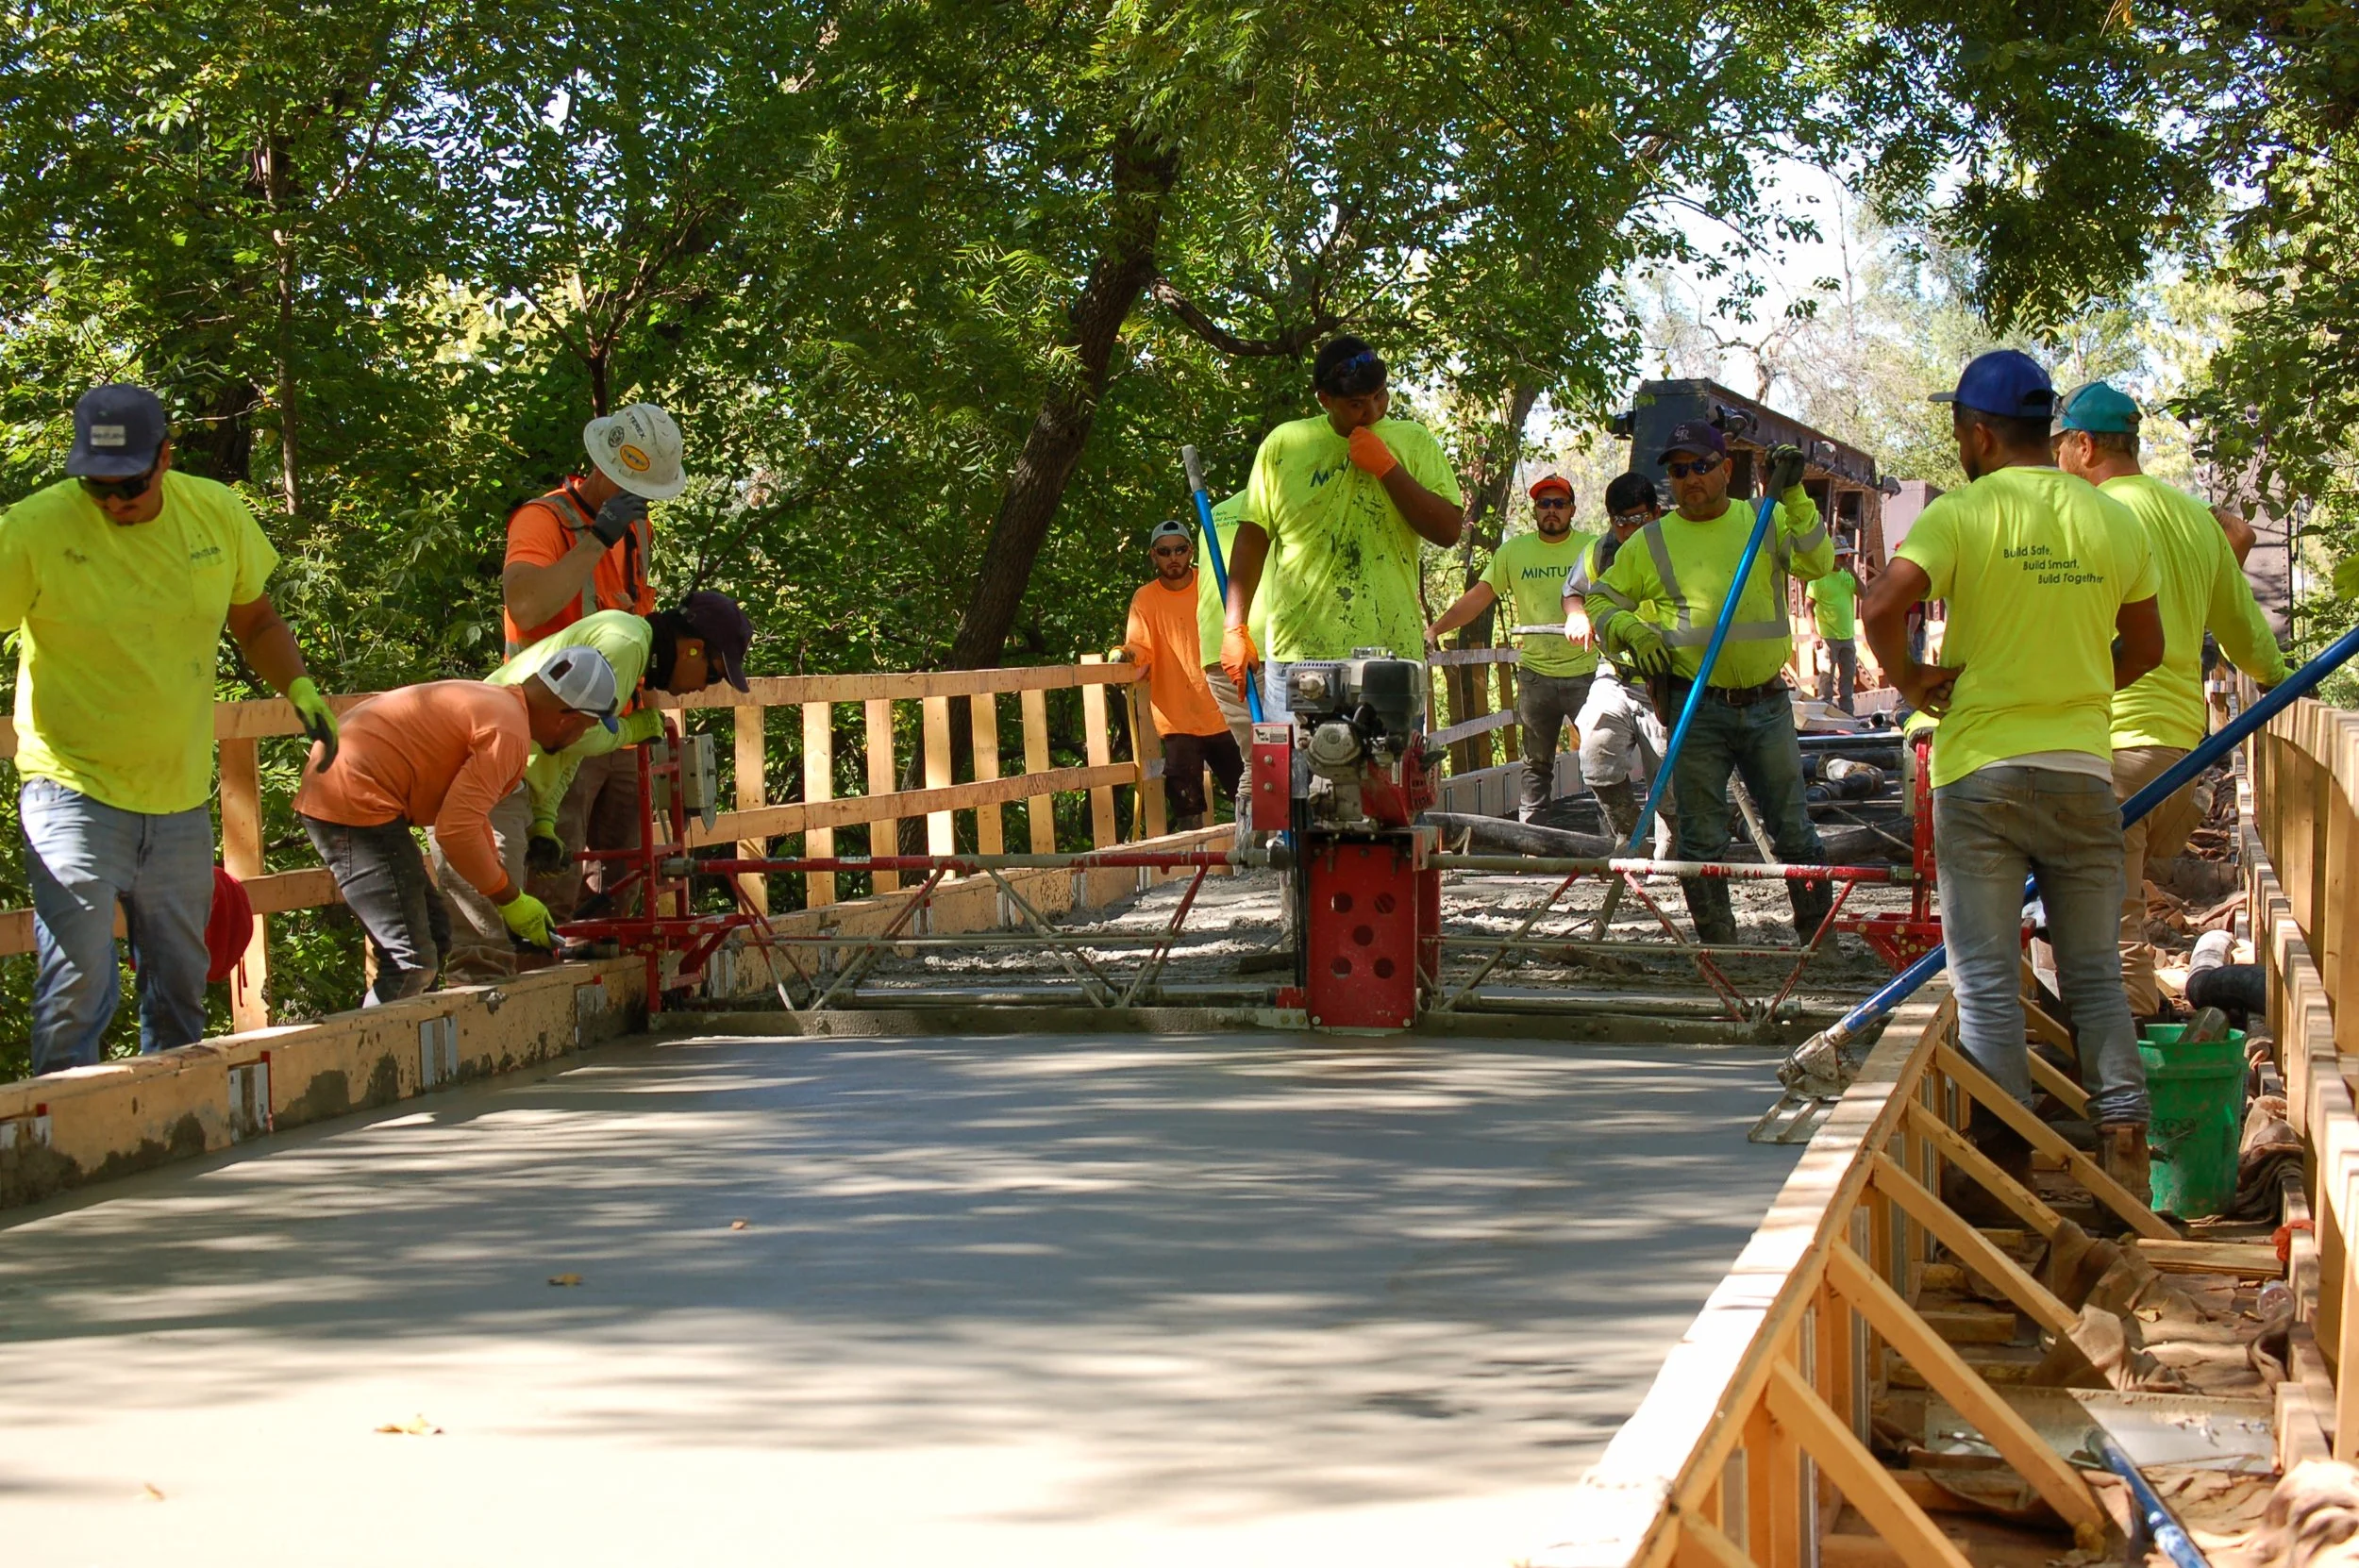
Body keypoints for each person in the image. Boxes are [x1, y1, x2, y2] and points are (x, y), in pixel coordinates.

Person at [1860, 350, 2166, 1205]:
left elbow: (1883, 607)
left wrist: (1915, 680)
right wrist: (2069, 686)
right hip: (2079, 774)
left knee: (1987, 978)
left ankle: (2002, 1172)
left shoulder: (1963, 513)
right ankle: (2126, 1150)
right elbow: (2146, 650)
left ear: (1980, 433)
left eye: (1959, 428)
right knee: (2096, 973)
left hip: (1982, 777)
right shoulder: (2114, 521)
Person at [1, 385, 339, 1075]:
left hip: (178, 794)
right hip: (69, 787)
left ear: (166, 458)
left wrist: (297, 685)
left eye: (128, 485)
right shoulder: (35, 529)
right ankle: (63, 1150)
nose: (115, 502)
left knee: (182, 982)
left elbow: (258, 622)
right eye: (98, 488)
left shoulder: (213, 513)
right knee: (78, 981)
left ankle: (175, 1140)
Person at [2050, 380, 2289, 1021]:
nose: (2055, 463)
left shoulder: (2087, 517)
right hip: (2179, 758)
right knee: (2098, 905)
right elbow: (2248, 639)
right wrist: (2290, 686)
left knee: (2111, 928)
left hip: (2112, 750)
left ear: (2083, 444)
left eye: (2059, 449)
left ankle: (2124, 1091)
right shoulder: (2193, 520)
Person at [1582, 422, 1832, 944]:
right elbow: (1600, 599)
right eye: (1678, 471)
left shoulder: (1761, 520)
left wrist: (1794, 493)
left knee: (1793, 830)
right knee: (1700, 835)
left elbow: (1818, 561)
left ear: (1725, 469)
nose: (1690, 478)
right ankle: (1718, 943)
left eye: (1700, 467)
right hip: (1695, 706)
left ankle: (1818, 938)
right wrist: (1629, 629)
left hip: (1766, 704)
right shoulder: (1651, 541)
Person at [439, 592, 755, 979]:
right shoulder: (625, 644)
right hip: (486, 755)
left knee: (512, 922)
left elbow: (568, 748)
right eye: (713, 674)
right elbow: (580, 739)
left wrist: (544, 819)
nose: (705, 689)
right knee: (483, 929)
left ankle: (504, 1013)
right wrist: (633, 728)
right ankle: (476, 1021)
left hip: (510, 768)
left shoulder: (628, 645)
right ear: (693, 649)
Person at [294, 651, 621, 1007]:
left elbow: (470, 816)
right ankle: (373, 1056)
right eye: (586, 729)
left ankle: (406, 1044)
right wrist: (509, 899)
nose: (578, 739)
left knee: (434, 937)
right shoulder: (507, 732)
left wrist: (509, 895)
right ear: (567, 719)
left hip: (357, 792)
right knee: (411, 962)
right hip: (353, 800)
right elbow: (455, 830)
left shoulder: (498, 705)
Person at [502, 403, 688, 909]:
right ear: (606, 466)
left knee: (626, 881)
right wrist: (596, 539)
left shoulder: (636, 530)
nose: (644, 502)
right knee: (554, 876)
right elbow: (525, 603)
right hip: (555, 732)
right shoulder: (544, 521)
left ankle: (614, 979)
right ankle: (546, 978)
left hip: (621, 730)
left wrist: (648, 711)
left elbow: (635, 616)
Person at [1218, 336, 1464, 713]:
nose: (1374, 412)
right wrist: (1235, 629)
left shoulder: (1413, 441)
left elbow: (1448, 531)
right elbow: (1252, 537)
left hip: (1391, 653)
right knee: (1299, 773)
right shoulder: (1284, 444)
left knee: (1390, 772)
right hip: (1299, 655)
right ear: (1324, 400)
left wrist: (1387, 468)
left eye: (1380, 396)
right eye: (1357, 405)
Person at [1427, 475, 1599, 821]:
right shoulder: (1514, 552)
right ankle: (1532, 843)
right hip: (1536, 676)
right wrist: (1435, 629)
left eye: (1559, 504)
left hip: (1588, 674)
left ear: (1572, 510)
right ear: (1535, 511)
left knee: (1601, 760)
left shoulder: (1593, 547)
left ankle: (1615, 845)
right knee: (1535, 764)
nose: (1552, 511)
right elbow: (1479, 597)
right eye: (1544, 504)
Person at [1564, 474, 1675, 854]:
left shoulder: (1678, 544)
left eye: (1638, 519)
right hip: (1615, 674)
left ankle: (1672, 849)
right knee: (1595, 752)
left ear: (1656, 512)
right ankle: (1629, 838)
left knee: (1670, 782)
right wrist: (1576, 615)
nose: (1629, 529)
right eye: (1620, 521)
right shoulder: (1598, 553)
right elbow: (1574, 593)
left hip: (1669, 680)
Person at [1115, 522, 1243, 830]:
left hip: (1224, 710)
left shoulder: (1212, 586)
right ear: (1153, 555)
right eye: (1164, 551)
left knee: (1249, 797)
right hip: (1176, 719)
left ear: (1191, 551)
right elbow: (1139, 647)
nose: (1173, 557)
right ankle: (1195, 874)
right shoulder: (1145, 599)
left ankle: (1259, 868)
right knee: (1187, 808)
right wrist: (1125, 656)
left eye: (1180, 549)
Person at [1196, 492, 1268, 752]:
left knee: (1257, 758)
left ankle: (1250, 793)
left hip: (1218, 651)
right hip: (1258, 647)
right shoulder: (1277, 502)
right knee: (1278, 757)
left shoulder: (1216, 514)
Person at [1808, 542, 1861, 712]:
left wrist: (1854, 573)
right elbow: (1808, 606)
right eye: (1841, 556)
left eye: (1847, 556)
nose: (1845, 559)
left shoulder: (1847, 577)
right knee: (1826, 675)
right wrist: (1814, 633)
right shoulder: (1819, 578)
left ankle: (1847, 712)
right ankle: (1825, 712)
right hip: (1827, 635)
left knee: (1848, 675)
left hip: (1847, 635)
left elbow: (1865, 594)